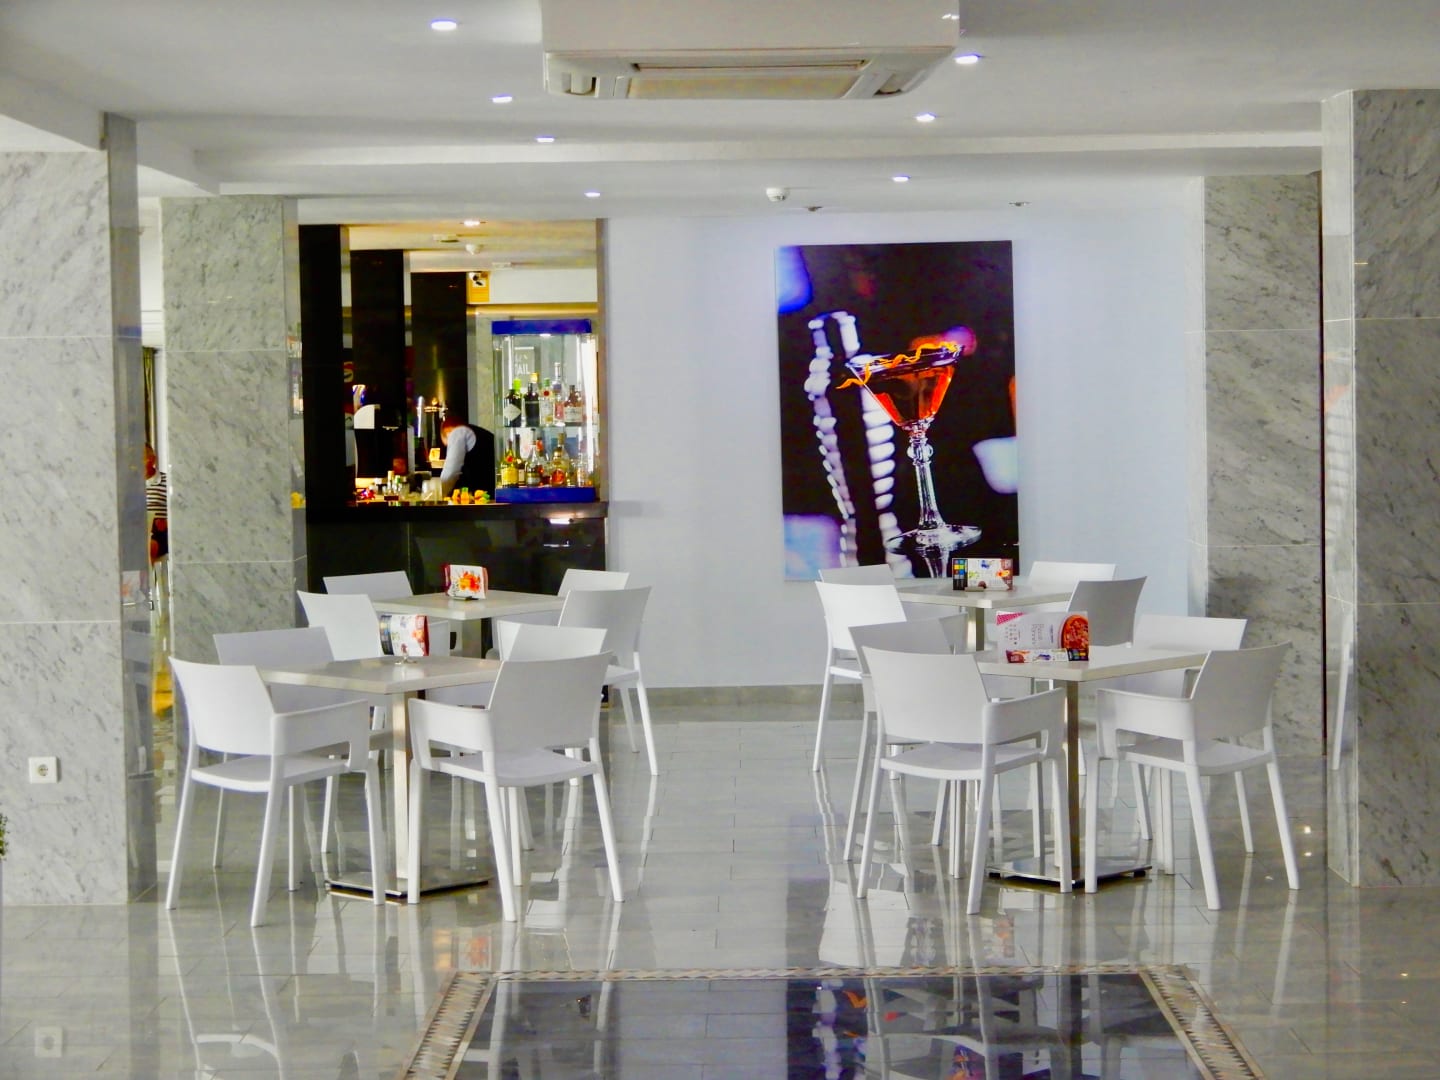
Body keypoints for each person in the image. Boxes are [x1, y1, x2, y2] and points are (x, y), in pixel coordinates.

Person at [438, 415, 496, 497]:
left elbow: (451, 471)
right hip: (494, 492)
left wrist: (438, 495)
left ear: (446, 434)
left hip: (486, 495)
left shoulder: (458, 433)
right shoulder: (475, 432)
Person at [145, 443, 168, 564]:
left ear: (153, 460)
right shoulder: (128, 484)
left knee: (149, 547)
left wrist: (167, 521)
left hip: (159, 531)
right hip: (136, 529)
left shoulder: (167, 481)